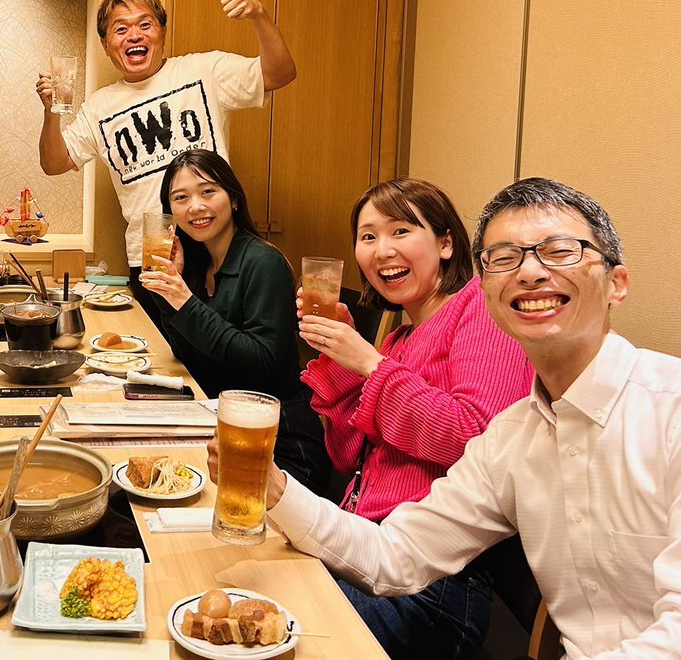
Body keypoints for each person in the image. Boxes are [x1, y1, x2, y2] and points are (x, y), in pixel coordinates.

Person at [218, 177, 681, 659]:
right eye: (504, 258)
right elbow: (396, 553)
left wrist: (370, 365)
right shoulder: (511, 437)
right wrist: (277, 489)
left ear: (616, 284)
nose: (530, 272)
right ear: (490, 290)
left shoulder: (669, 409)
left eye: (559, 251)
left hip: (446, 596)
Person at [226, 178, 535, 659]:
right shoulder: (400, 339)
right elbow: (347, 455)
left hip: (434, 584)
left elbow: (474, 439)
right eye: (368, 236)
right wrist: (340, 360)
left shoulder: (479, 308)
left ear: (446, 243)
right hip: (362, 547)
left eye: (401, 230)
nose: (383, 250)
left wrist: (370, 364)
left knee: (264, 641)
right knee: (230, 594)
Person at [35, 0, 297, 326]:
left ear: (162, 32)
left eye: (145, 24)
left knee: (224, 347)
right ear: (106, 44)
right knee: (162, 351)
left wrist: (258, 15)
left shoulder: (202, 70)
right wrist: (51, 111)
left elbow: (280, 73)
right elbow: (54, 163)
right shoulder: (99, 106)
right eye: (121, 29)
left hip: (217, 247)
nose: (134, 36)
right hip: (152, 256)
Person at [138, 149, 329, 490]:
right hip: (221, 424)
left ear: (235, 199)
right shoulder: (199, 264)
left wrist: (184, 301)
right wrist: (169, 293)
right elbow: (189, 354)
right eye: (181, 198)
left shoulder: (263, 262)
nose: (195, 206)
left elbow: (263, 364)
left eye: (208, 191)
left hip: (279, 440)